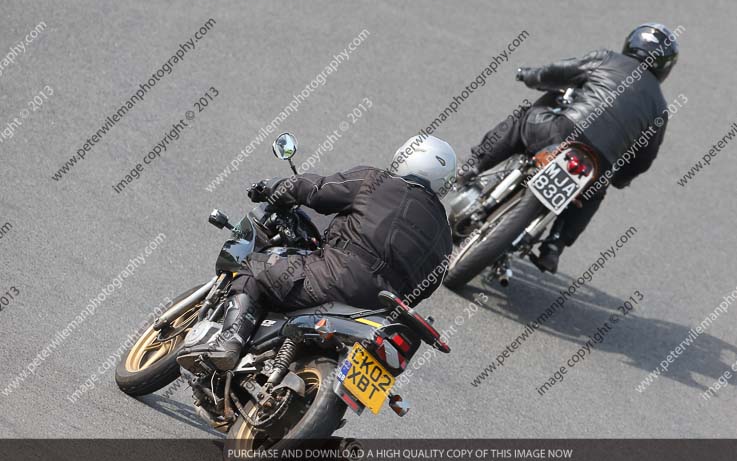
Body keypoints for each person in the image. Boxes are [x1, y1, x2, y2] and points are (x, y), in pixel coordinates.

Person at [179, 135, 456, 370]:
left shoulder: (377, 181)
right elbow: (424, 289)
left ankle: (230, 340)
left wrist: (272, 187)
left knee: (253, 268)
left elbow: (317, 190)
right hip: (378, 313)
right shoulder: (445, 236)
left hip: (334, 278)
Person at [458, 23, 679, 273]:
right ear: (666, 68)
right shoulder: (660, 108)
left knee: (523, 119)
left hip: (564, 131)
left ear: (631, 44)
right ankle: (554, 246)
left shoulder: (607, 59)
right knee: (594, 193)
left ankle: (474, 164)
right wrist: (620, 178)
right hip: (599, 162)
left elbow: (558, 72)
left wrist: (529, 75)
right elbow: (644, 159)